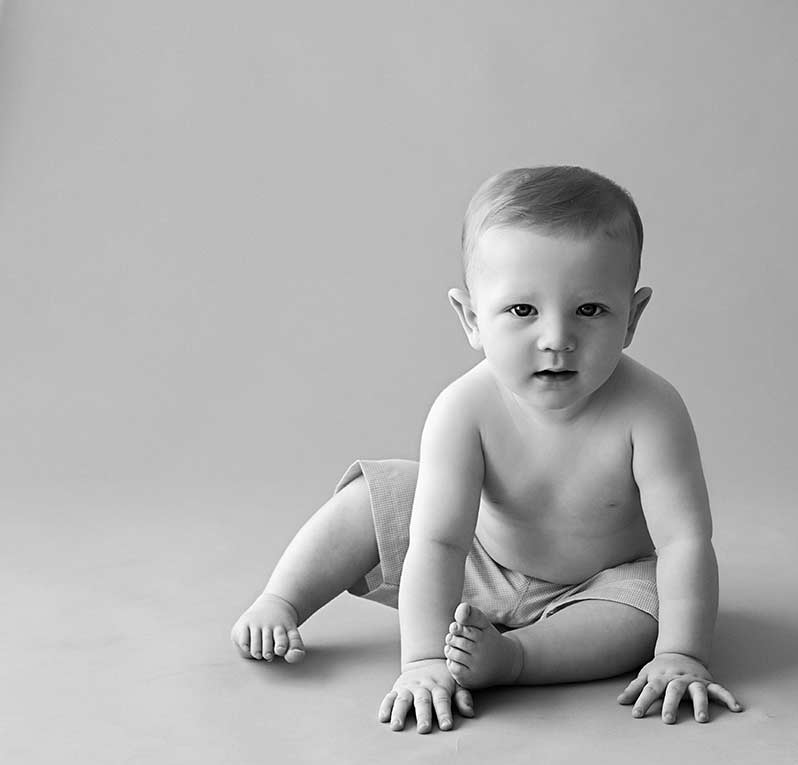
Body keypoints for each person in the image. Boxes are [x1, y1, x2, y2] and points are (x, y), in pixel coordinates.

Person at [231, 165, 742, 733]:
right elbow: (439, 540)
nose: (556, 338)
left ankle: (514, 658)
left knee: (645, 606)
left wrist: (681, 652)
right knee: (378, 493)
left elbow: (684, 541)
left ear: (632, 316)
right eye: (523, 311)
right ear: (472, 318)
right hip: (473, 567)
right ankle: (281, 599)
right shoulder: (463, 407)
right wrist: (424, 661)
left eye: (590, 310)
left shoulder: (651, 410)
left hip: (591, 588)